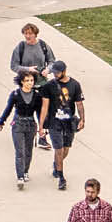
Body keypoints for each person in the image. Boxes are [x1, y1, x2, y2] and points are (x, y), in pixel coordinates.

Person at [0, 70, 45, 190]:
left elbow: (39, 113)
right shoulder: (15, 94)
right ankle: (20, 176)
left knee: (28, 151)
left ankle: (25, 171)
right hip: (18, 124)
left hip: (31, 125)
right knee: (20, 152)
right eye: (27, 80)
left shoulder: (37, 96)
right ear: (21, 82)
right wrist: (1, 121)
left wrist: (42, 127)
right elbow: (8, 109)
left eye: (32, 80)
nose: (30, 83)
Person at [42, 59, 84, 190]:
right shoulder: (49, 86)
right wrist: (41, 125)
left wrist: (82, 119)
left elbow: (79, 104)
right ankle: (61, 177)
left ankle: (56, 165)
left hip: (68, 122)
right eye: (53, 72)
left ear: (64, 71)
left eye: (57, 72)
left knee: (66, 149)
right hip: (55, 122)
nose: (55, 75)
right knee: (58, 150)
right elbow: (45, 106)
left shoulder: (75, 85)